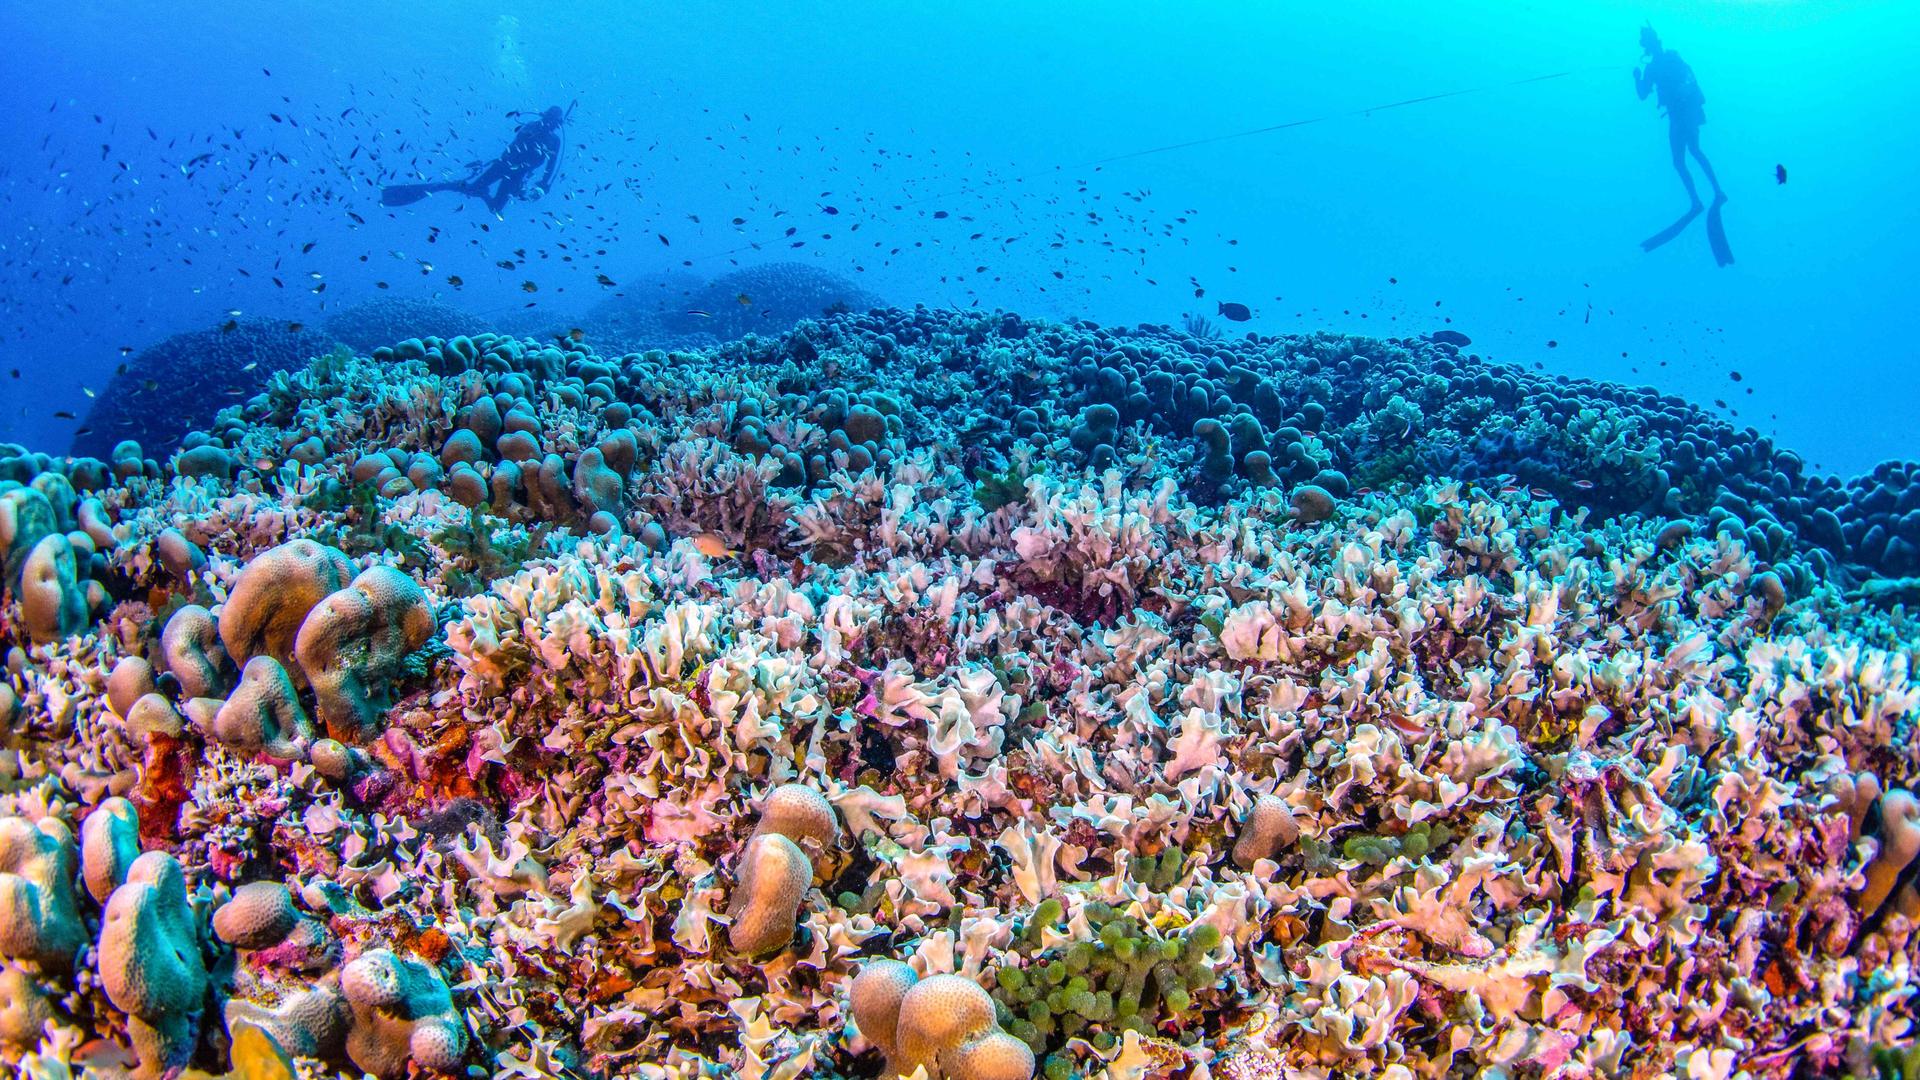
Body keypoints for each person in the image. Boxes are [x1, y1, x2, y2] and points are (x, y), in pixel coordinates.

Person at [381, 105, 567, 213]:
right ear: (545, 117)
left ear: (557, 124)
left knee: (496, 209)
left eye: (553, 122)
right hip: (503, 166)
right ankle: (448, 185)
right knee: (471, 190)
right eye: (549, 120)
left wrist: (544, 184)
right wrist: (535, 136)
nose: (550, 124)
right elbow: (518, 143)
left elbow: (551, 165)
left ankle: (481, 192)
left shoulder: (555, 141)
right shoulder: (531, 126)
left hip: (518, 175)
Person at [1634, 25, 1722, 211]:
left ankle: (1702, 199)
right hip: (1683, 114)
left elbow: (1642, 94)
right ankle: (1709, 194)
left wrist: (1637, 77)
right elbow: (1644, 94)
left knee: (1685, 157)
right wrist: (1637, 78)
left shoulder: (1658, 65)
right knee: (1689, 155)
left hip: (1682, 114)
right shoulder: (1664, 61)